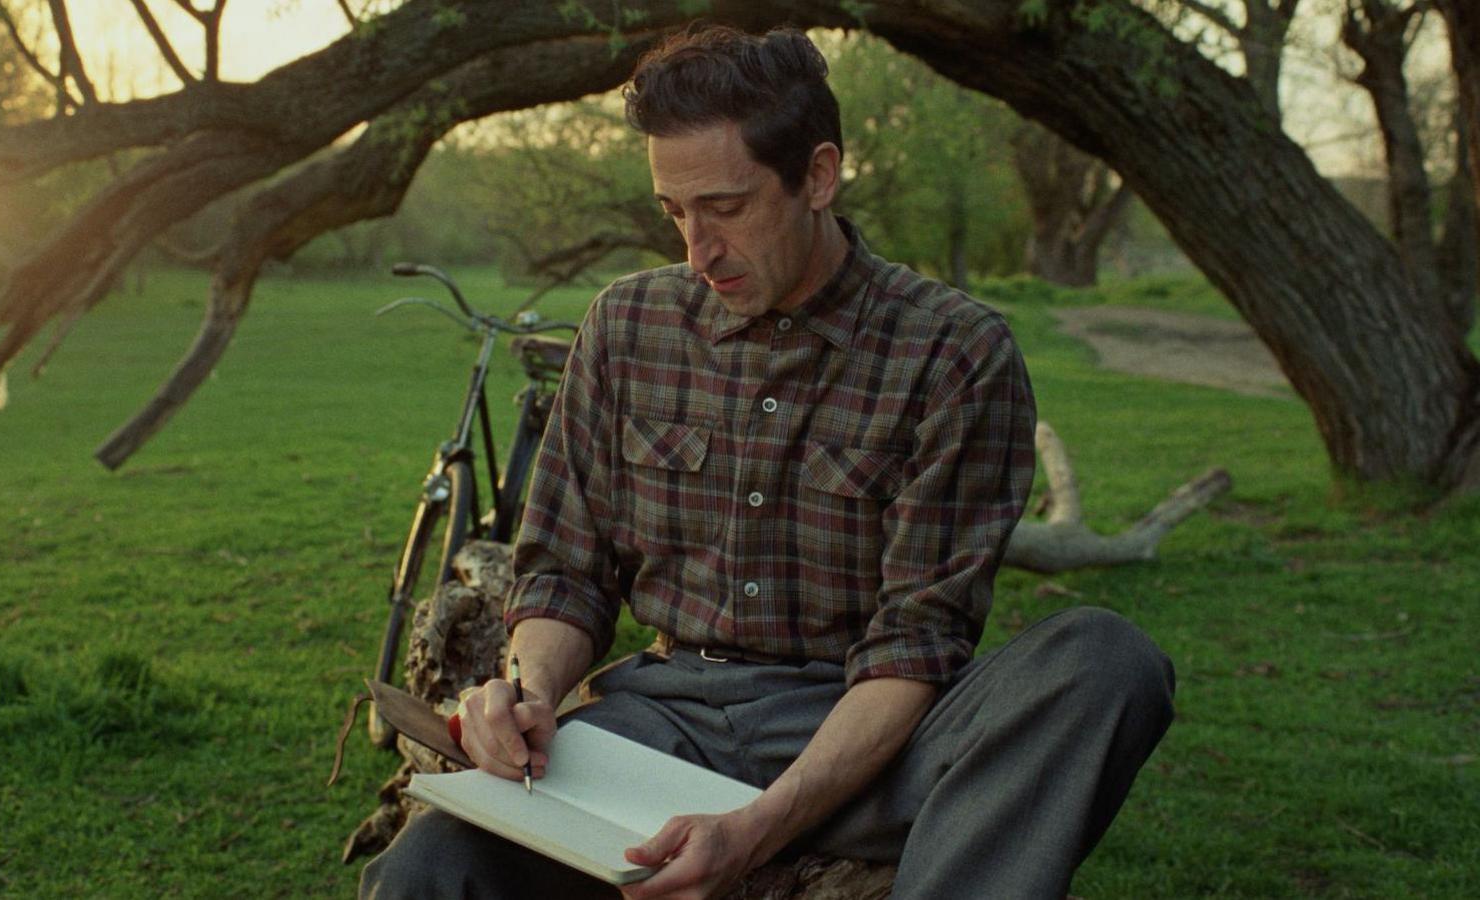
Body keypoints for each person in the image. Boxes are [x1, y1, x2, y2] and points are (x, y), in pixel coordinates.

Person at [361, 24, 1174, 900]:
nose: (697, 252)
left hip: (870, 736)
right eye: (674, 212)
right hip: (661, 728)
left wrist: (758, 829)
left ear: (818, 177)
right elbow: (564, 572)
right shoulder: (626, 326)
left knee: (1106, 659)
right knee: (426, 872)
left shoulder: (954, 353)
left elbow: (917, 646)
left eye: (726, 207)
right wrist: (525, 694)